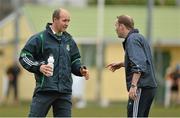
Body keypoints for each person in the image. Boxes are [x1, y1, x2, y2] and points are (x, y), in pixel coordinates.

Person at [19, 8, 89, 117]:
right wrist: (39, 67)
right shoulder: (40, 38)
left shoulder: (69, 40)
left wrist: (80, 70)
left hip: (64, 92)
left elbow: (75, 60)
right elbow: (24, 56)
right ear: (55, 20)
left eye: (68, 21)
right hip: (44, 90)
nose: (67, 24)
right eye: (64, 20)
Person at [106, 15, 157, 117]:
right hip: (148, 87)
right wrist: (122, 64)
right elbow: (143, 60)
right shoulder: (139, 37)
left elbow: (139, 65)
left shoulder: (132, 39)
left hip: (141, 86)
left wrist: (134, 86)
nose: (115, 28)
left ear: (122, 26)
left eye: (116, 25)